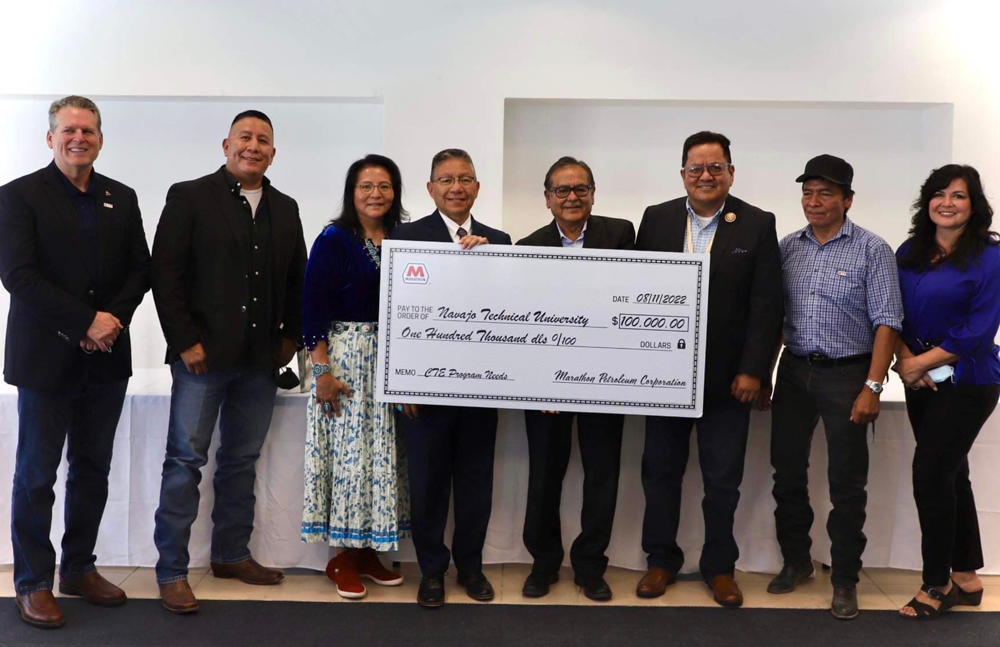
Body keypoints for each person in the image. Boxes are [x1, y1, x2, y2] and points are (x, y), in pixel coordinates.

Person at [0, 96, 150, 628]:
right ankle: (34, 581)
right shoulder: (18, 196)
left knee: (92, 470)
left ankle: (78, 568)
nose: (78, 138)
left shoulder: (122, 197)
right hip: (46, 361)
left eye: (88, 130)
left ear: (101, 139)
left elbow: (140, 268)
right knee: (36, 475)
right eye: (68, 129)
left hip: (106, 360)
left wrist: (110, 323)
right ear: (50, 137)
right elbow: (19, 276)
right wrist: (85, 321)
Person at [150, 110, 307, 614]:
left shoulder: (286, 207)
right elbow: (166, 274)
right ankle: (172, 571)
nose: (253, 146)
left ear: (273, 153)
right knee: (185, 463)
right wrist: (185, 341)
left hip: (260, 363)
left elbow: (296, 282)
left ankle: (231, 555)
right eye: (245, 137)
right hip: (203, 360)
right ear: (226, 144)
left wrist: (289, 338)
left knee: (240, 461)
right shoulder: (190, 196)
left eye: (263, 140)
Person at [634, 131, 783, 607]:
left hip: (728, 381)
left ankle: (720, 567)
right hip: (662, 379)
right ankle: (660, 561)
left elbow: (767, 304)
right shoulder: (655, 220)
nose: (705, 175)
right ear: (682, 174)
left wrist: (755, 370)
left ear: (730, 173)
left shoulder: (758, 223)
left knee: (722, 480)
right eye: (695, 168)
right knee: (659, 475)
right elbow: (632, 295)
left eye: (715, 167)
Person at [762, 155, 902, 620]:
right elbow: (775, 321)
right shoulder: (788, 247)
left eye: (825, 193)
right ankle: (796, 561)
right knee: (787, 473)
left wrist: (873, 386)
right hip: (796, 372)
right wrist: (766, 373)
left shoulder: (871, 249)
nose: (814, 201)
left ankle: (844, 578)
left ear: (847, 199)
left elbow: (888, 323)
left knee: (846, 483)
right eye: (808, 192)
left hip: (848, 375)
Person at [391, 148, 511, 608]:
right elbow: (395, 312)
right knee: (428, 484)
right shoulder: (407, 237)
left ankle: (472, 568)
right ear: (430, 188)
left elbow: (511, 312)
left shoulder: (498, 240)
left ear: (477, 187)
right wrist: (401, 383)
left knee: (476, 483)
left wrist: (489, 261)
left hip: (482, 388)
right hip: (425, 391)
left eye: (465, 179)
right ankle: (432, 571)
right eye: (446, 179)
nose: (456, 187)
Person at [515, 156, 633, 601]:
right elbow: (522, 321)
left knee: (602, 474)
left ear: (593, 194)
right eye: (561, 190)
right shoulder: (528, 245)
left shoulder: (621, 234)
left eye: (580, 188)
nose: (571, 197)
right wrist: (538, 378)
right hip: (546, 386)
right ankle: (543, 564)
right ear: (547, 198)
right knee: (545, 475)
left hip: (606, 380)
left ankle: (590, 567)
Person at [300, 154, 411, 599]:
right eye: (366, 186)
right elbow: (312, 306)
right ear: (352, 192)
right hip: (345, 359)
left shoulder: (407, 238)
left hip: (394, 359)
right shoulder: (333, 239)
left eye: (384, 186)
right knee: (348, 461)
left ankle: (369, 552)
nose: (375, 194)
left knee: (382, 457)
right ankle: (341, 557)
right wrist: (321, 371)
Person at [894, 164, 1000, 619]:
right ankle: (967, 577)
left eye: (959, 196)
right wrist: (905, 361)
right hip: (918, 382)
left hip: (969, 381)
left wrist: (920, 362)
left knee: (930, 475)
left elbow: (979, 329)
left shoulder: (992, 256)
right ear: (927, 201)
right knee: (952, 474)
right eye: (939, 194)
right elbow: (887, 308)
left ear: (974, 205)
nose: (948, 203)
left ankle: (937, 584)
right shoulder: (910, 250)